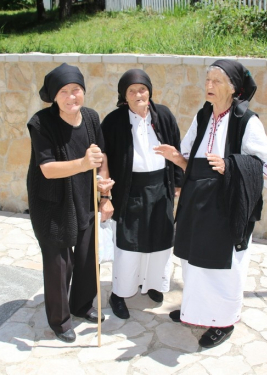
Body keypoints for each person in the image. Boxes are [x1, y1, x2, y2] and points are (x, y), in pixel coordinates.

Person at [154, 60, 267, 348]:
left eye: (216, 82)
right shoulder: (203, 117)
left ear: (234, 89)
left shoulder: (247, 123)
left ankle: (223, 322)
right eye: (207, 80)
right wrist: (176, 158)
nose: (209, 86)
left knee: (223, 271)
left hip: (227, 210)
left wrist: (231, 166)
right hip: (198, 207)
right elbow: (192, 164)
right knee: (194, 265)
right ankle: (196, 311)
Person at [26, 63, 114, 343]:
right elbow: (47, 168)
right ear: (53, 96)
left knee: (88, 258)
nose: (71, 96)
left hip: (84, 197)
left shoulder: (90, 118)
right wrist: (82, 163)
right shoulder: (41, 123)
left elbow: (101, 158)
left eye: (76, 90)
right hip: (51, 202)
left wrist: (104, 189)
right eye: (64, 91)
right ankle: (60, 320)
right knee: (59, 263)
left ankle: (81, 305)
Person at [100, 69, 183, 319]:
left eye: (142, 89)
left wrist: (177, 182)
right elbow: (104, 156)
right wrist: (106, 195)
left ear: (150, 91)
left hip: (161, 188)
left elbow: (176, 147)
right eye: (132, 91)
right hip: (130, 189)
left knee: (159, 242)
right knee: (129, 246)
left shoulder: (163, 115)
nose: (139, 94)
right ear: (124, 97)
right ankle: (119, 293)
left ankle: (153, 285)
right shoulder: (114, 121)